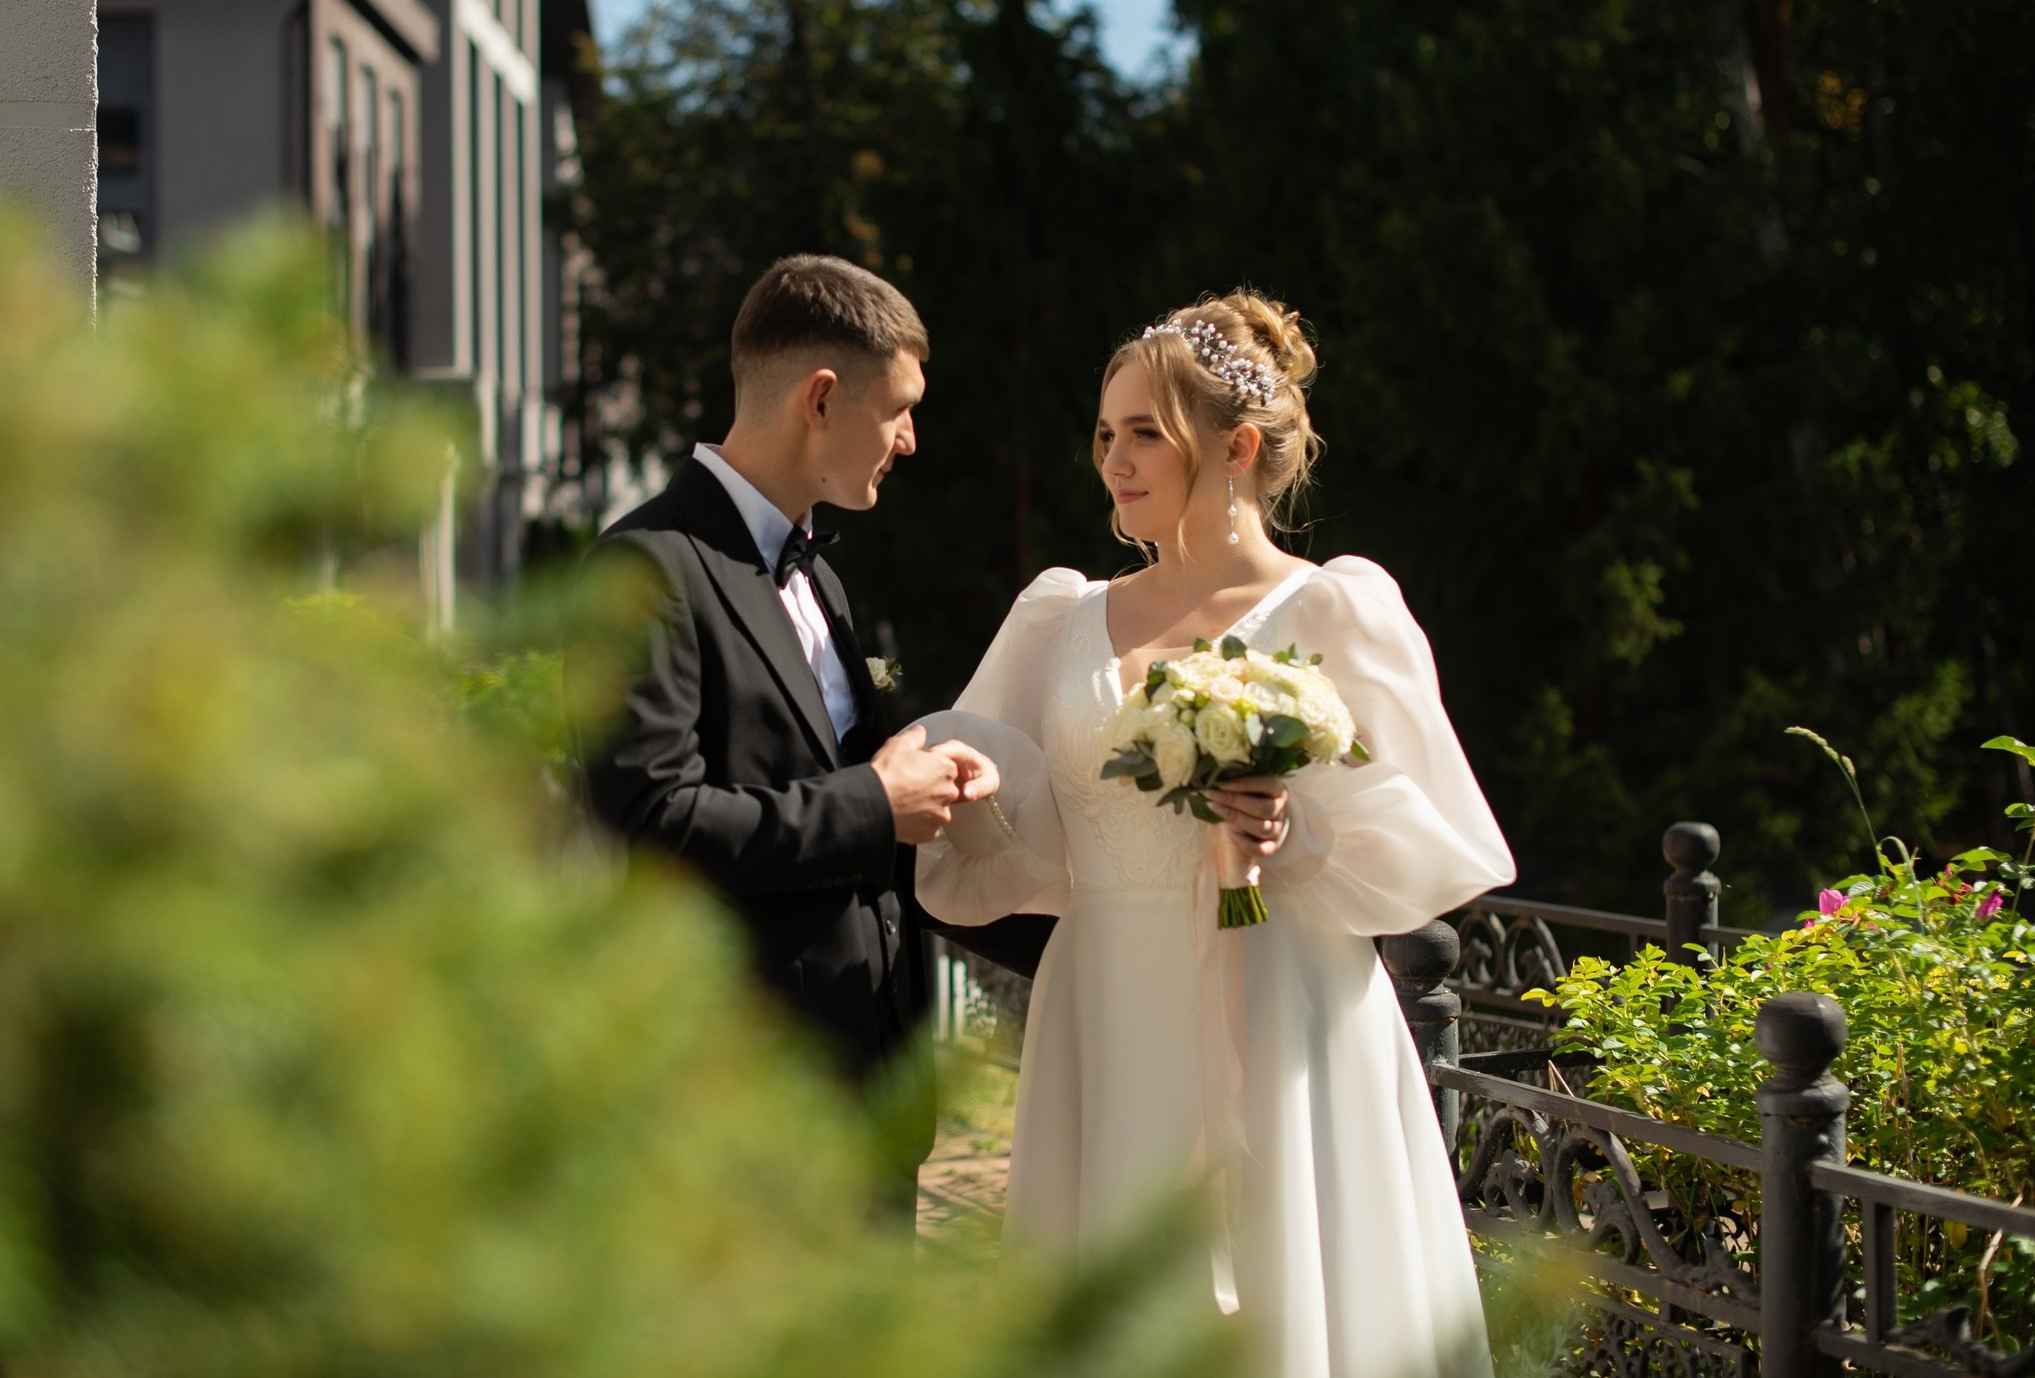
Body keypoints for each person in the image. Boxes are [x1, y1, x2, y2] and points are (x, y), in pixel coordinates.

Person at [913, 293, 1516, 1377]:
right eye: (1106, 431)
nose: (1115, 459)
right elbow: (1022, 829)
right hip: (1105, 1002)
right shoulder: (1060, 616)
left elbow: (1437, 832)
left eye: (1145, 430)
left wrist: (1300, 829)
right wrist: (960, 785)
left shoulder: (1332, 608)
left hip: (1284, 1009)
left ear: (1234, 446)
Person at [579, 253, 1038, 1218]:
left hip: (868, 1088)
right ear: (821, 399)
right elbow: (651, 819)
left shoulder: (819, 576)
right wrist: (875, 802)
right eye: (900, 406)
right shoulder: (645, 568)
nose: (911, 440)